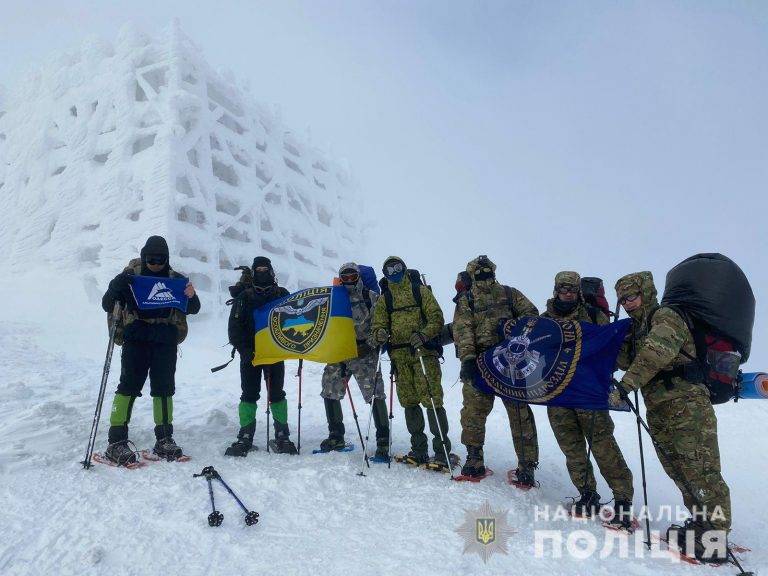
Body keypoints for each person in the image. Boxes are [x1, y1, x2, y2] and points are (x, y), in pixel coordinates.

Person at [615, 272, 731, 562]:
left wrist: (627, 385)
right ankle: (702, 524)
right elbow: (624, 359)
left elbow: (657, 352)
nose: (629, 304)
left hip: (687, 406)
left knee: (700, 470)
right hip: (659, 409)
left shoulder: (665, 316)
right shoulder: (636, 329)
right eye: (623, 300)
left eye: (633, 296)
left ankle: (715, 537)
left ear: (646, 292)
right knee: (678, 469)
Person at [542, 271, 634, 528]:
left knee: (603, 445)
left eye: (572, 288)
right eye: (563, 288)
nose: (568, 293)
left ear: (579, 291)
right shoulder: (545, 320)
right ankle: (587, 494)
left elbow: (612, 349)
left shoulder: (594, 316)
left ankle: (623, 500)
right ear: (556, 290)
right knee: (571, 448)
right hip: (557, 394)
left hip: (589, 392)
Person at [101, 235, 200, 465]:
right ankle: (116, 441)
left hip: (164, 341)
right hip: (136, 339)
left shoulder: (176, 280)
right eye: (151, 259)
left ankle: (164, 439)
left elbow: (193, 308)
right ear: (144, 257)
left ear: (167, 259)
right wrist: (116, 285)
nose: (156, 264)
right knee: (128, 388)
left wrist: (191, 296)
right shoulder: (129, 278)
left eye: (160, 260)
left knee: (164, 389)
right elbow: (107, 304)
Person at [452, 255, 540, 487]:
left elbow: (532, 317)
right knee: (478, 412)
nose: (483, 275)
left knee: (513, 414)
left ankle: (521, 465)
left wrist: (515, 335)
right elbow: (464, 329)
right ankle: (479, 459)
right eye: (479, 272)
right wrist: (469, 358)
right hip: (489, 363)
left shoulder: (506, 294)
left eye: (485, 271)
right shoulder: (474, 298)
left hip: (504, 363)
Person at [371, 256, 454, 469]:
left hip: (423, 354)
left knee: (432, 400)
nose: (394, 272)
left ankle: (442, 451)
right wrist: (379, 332)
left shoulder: (420, 291)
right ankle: (419, 450)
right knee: (409, 401)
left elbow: (436, 317)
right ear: (385, 273)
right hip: (400, 358)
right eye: (389, 269)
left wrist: (425, 335)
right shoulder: (385, 298)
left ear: (404, 268)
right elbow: (378, 324)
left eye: (397, 267)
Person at [224, 256, 296, 456]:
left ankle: (282, 434)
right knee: (249, 394)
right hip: (250, 354)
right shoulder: (243, 297)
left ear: (271, 272)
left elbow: (293, 320)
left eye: (266, 269)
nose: (262, 273)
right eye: (259, 270)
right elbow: (234, 328)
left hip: (274, 353)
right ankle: (245, 435)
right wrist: (245, 350)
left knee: (276, 393)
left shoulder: (282, 294)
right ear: (253, 273)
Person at [319, 263, 388, 457]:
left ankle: (383, 439)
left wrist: (370, 345)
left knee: (374, 394)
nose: (349, 280)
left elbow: (382, 326)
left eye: (352, 276)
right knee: (329, 388)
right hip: (340, 351)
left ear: (358, 277)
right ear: (340, 278)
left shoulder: (371, 297)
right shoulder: (333, 299)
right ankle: (335, 435)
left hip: (365, 353)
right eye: (345, 277)